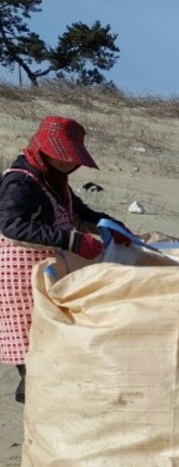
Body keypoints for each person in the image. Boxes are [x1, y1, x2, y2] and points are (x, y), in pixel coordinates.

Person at [0, 115, 131, 404]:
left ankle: (42, 403)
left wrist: (112, 227)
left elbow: (81, 213)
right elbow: (11, 226)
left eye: (70, 159)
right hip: (18, 277)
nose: (66, 163)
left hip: (45, 270)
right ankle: (37, 407)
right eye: (60, 156)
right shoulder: (21, 182)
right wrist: (72, 240)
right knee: (33, 349)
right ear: (42, 149)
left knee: (51, 342)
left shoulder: (54, 180)